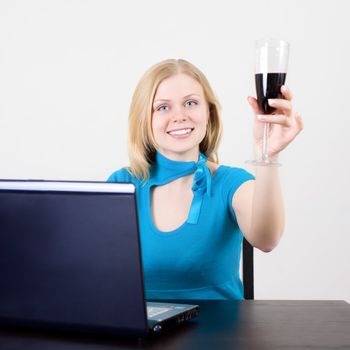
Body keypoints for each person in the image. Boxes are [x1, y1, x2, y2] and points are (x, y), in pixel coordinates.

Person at [107, 59, 303, 300]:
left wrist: (267, 154)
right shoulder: (122, 184)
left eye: (190, 103)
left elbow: (267, 239)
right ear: (144, 120)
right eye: (162, 107)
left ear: (208, 114)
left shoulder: (231, 183)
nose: (179, 116)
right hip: (138, 336)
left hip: (217, 335)